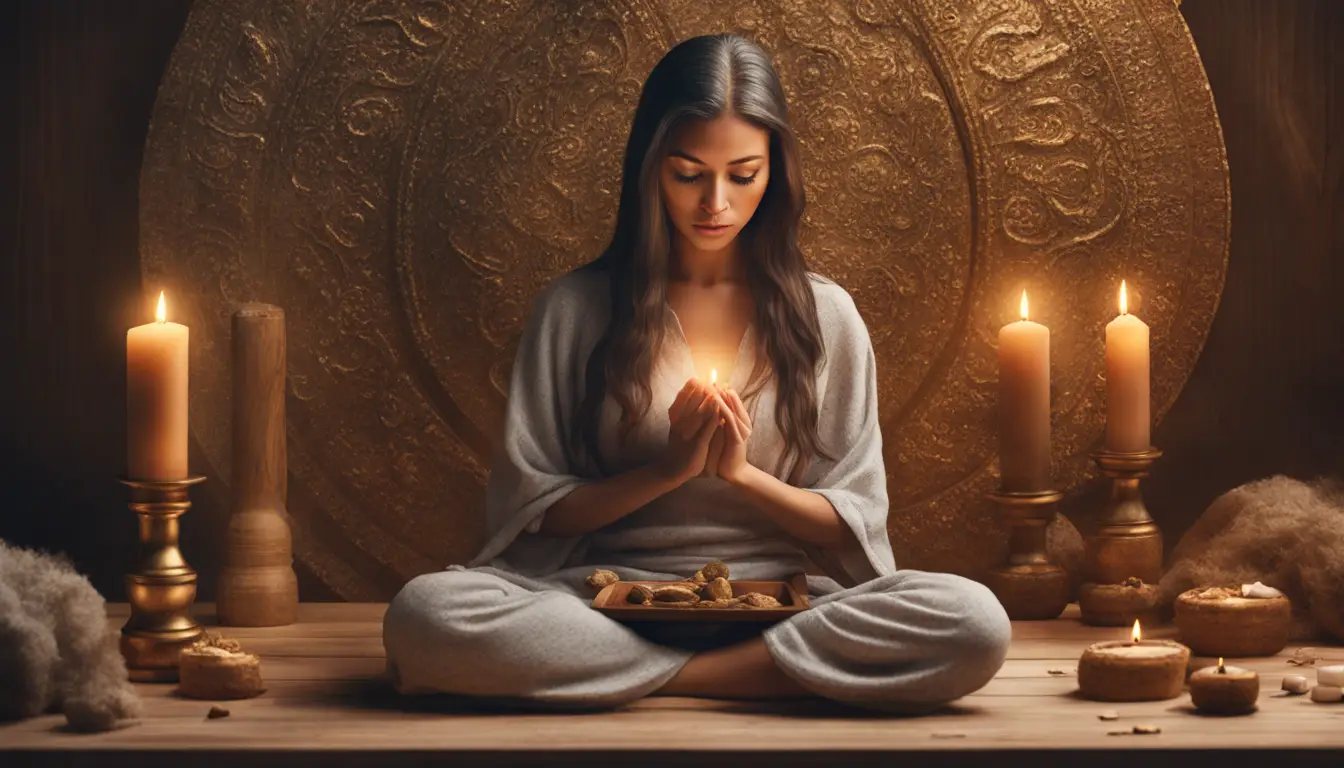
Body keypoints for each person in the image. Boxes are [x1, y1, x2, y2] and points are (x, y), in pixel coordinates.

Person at [383, 33, 1010, 713]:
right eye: (688, 173)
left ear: (776, 172)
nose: (716, 202)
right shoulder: (572, 310)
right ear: (650, 167)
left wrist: (741, 475)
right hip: (601, 603)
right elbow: (536, 514)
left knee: (972, 620)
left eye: (743, 174)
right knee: (426, 614)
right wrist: (668, 469)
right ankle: (743, 677)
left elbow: (849, 520)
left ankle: (655, 678)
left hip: (778, 604)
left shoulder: (827, 315)